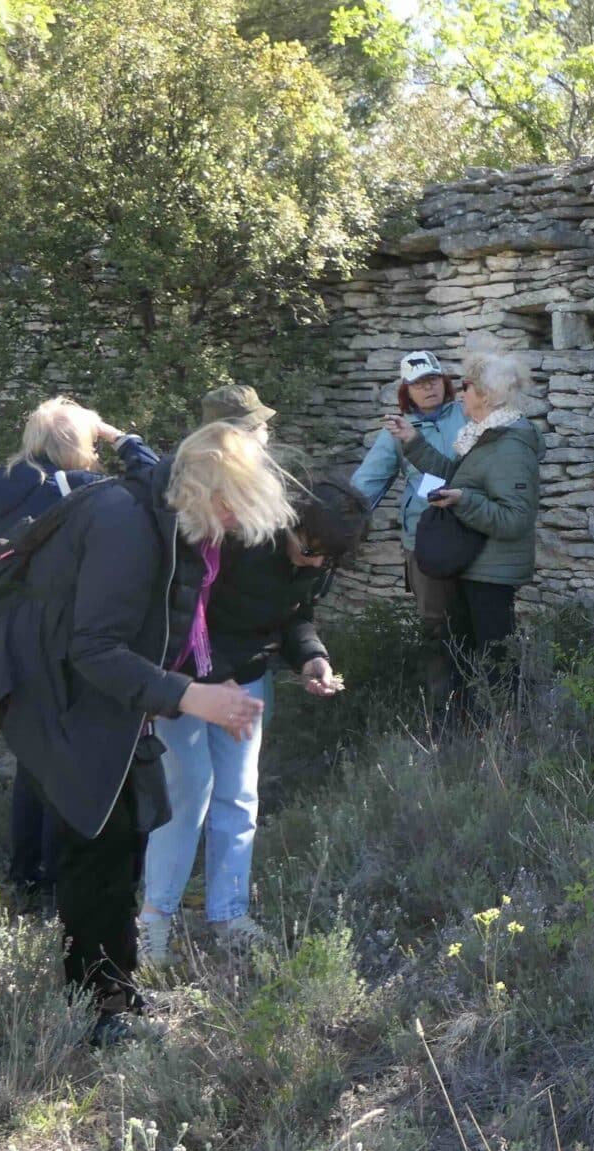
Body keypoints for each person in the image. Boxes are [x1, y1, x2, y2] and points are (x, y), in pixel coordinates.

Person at [0, 421, 292, 1045]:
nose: (229, 523)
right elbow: (94, 648)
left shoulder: (164, 513)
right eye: (228, 506)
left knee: (125, 830)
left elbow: (156, 629)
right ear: (201, 487)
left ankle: (109, 991)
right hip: (58, 690)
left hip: (96, 694)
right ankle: (104, 1011)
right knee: (98, 844)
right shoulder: (126, 523)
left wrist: (191, 685)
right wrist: (190, 697)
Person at [136, 486, 360, 964]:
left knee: (238, 796)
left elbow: (298, 618)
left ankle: (229, 915)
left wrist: (312, 658)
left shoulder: (318, 560)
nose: (316, 565)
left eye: (328, 560)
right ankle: (154, 919)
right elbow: (190, 618)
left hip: (248, 684)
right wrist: (217, 682)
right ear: (289, 526)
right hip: (191, 682)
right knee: (188, 791)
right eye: (309, 551)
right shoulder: (241, 545)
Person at [0, 398, 160, 906]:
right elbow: (160, 482)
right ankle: (61, 877)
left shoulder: (3, 483)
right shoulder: (81, 490)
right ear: (76, 444)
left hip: (18, 634)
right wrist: (119, 436)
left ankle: (25, 875)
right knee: (72, 756)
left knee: (32, 756)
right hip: (67, 635)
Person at [386, 348, 541, 716]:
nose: (461, 393)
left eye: (467, 386)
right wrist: (413, 442)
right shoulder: (482, 436)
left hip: (492, 572)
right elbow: (454, 476)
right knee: (470, 659)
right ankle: (471, 731)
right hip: (474, 565)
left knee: (495, 661)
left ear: (485, 396)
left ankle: (506, 737)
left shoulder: (510, 444)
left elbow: (515, 518)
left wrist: (462, 501)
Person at [347, 352, 468, 708]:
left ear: (444, 381)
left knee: (477, 623)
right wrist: (340, 519)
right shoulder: (396, 432)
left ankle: (486, 707)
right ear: (407, 391)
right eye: (418, 383)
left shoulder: (466, 414)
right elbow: (368, 483)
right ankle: (443, 713)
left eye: (432, 379)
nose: (427, 387)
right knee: (436, 629)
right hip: (425, 542)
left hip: (475, 531)